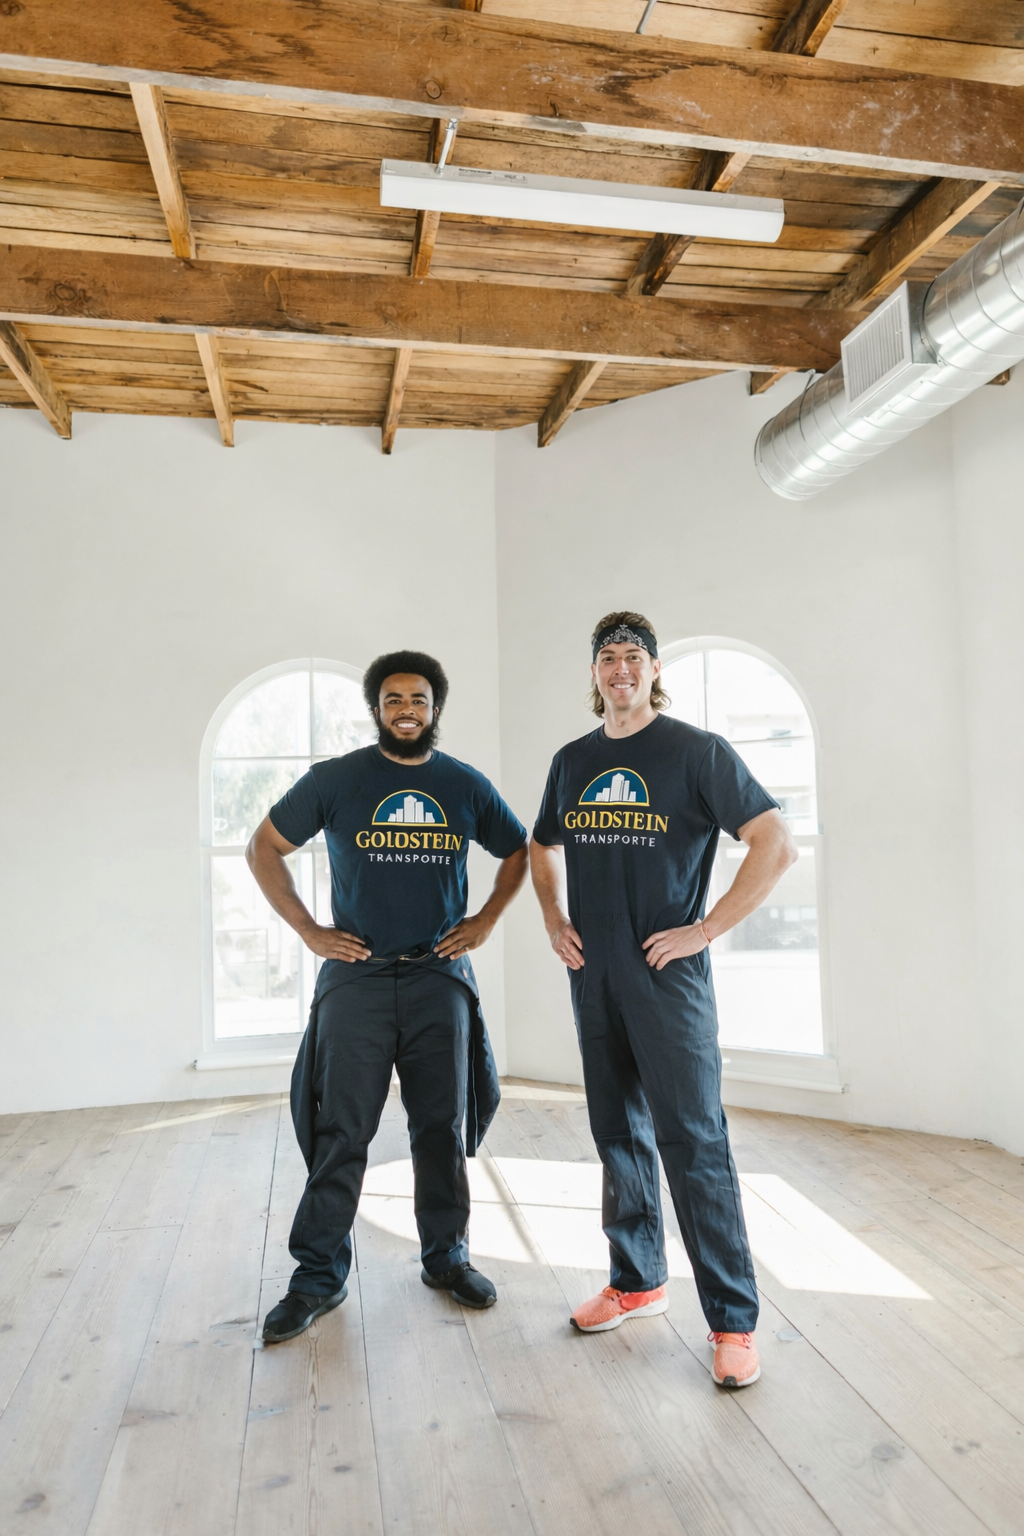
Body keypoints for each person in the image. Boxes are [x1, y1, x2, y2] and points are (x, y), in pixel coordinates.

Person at [530, 612, 797, 1388]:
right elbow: (540, 845)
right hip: (595, 973)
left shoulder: (695, 753)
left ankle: (733, 1322)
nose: (620, 669)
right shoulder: (572, 761)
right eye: (608, 657)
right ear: (593, 674)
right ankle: (637, 1279)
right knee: (618, 1132)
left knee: (694, 1141)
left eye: (634, 658)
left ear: (653, 671)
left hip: (665, 974)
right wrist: (553, 916)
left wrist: (705, 928)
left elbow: (775, 842)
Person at [247, 650, 528, 1343]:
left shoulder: (462, 784)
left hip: (438, 976)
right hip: (358, 979)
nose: (408, 710)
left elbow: (518, 849)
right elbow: (264, 847)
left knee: (443, 1127)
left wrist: (486, 919)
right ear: (376, 708)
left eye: (420, 700)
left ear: (435, 709)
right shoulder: (336, 781)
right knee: (341, 1130)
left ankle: (447, 1256)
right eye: (395, 699)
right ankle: (318, 1276)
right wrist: (310, 929)